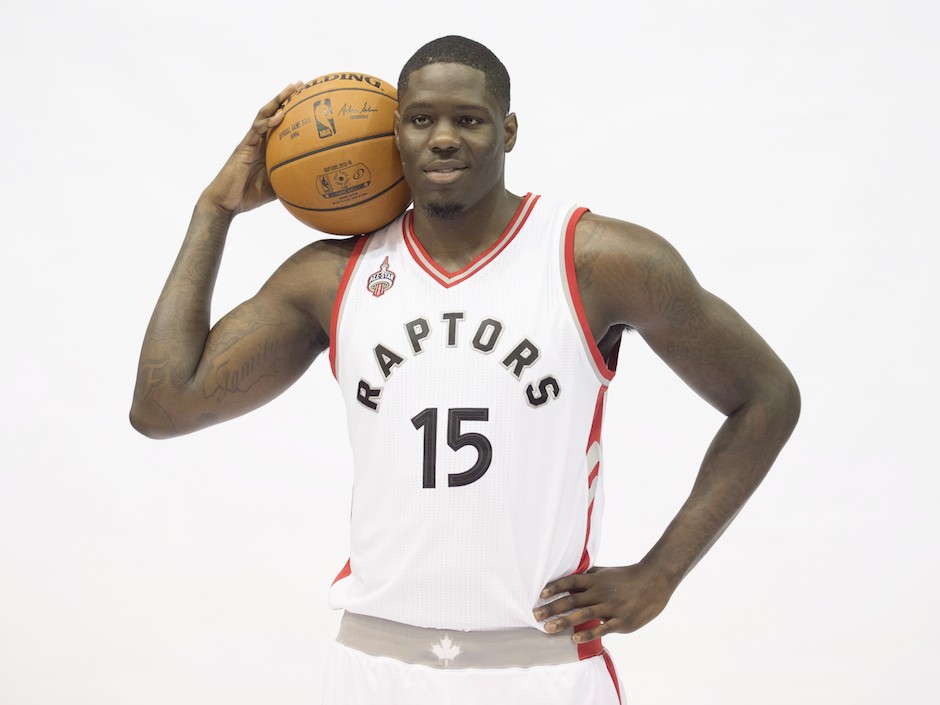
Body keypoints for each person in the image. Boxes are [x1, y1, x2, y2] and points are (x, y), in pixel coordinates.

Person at [131, 35, 800, 705]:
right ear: (394, 133)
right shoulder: (333, 276)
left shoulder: (597, 259)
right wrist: (213, 211)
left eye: (469, 119)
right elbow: (164, 407)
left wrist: (662, 573)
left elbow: (766, 396)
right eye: (421, 118)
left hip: (540, 666)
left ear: (507, 129)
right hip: (375, 662)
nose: (443, 136)